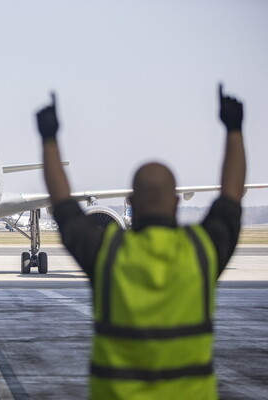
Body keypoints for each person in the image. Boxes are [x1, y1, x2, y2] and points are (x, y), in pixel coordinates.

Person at [36, 85, 245, 399]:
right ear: (176, 203)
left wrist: (49, 138)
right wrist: (234, 129)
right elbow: (231, 196)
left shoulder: (108, 254)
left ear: (131, 201)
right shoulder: (202, 251)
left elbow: (64, 207)